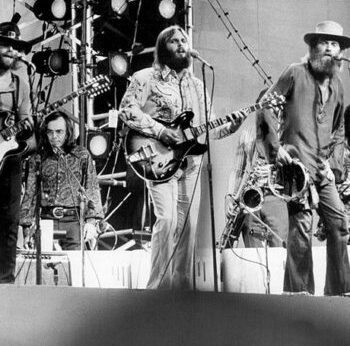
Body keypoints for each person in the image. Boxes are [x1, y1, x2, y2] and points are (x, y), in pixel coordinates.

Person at [119, 25, 248, 290]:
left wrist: (233, 126)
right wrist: (160, 130)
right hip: (158, 158)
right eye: (174, 41)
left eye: (184, 40)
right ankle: (157, 287)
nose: (180, 44)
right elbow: (127, 110)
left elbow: (209, 126)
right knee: (167, 220)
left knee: (188, 227)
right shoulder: (146, 78)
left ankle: (180, 289)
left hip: (190, 161)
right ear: (162, 47)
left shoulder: (197, 85)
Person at [257, 20, 350, 296]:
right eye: (325, 43)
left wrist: (333, 166)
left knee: (338, 224)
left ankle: (340, 292)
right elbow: (266, 106)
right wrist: (277, 149)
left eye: (335, 44)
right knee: (301, 229)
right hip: (296, 168)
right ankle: (298, 295)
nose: (331, 49)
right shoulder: (294, 73)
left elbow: (339, 129)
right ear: (312, 47)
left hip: (322, 169)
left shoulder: (339, 85)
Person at [20, 111, 104, 250]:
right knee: (46, 268)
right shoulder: (38, 158)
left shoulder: (82, 155)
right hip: (46, 221)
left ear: (68, 132)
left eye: (59, 132)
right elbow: (30, 193)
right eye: (50, 132)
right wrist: (26, 229)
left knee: (74, 268)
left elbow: (91, 187)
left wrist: (91, 222)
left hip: (74, 221)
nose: (54, 137)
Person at [0, 17, 36, 283]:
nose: (11, 51)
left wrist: (24, 129)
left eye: (15, 47)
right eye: (6, 45)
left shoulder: (20, 83)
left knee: (9, 219)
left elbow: (27, 132)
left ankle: (6, 281)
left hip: (9, 157)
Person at [224, 122, 289, 249]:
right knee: (253, 256)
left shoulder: (288, 132)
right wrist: (230, 196)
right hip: (250, 199)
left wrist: (274, 171)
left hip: (277, 197)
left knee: (279, 254)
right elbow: (238, 170)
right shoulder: (246, 134)